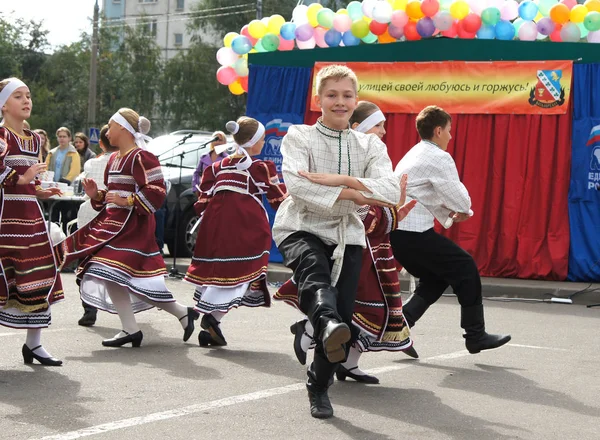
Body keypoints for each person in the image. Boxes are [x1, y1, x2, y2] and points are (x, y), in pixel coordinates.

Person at [272, 65, 402, 419]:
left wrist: (340, 178)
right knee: (314, 273)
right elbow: (298, 188)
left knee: (345, 314)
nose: (340, 102)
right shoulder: (299, 136)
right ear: (318, 100)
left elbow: (391, 191)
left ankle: (318, 381)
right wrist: (356, 192)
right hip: (301, 224)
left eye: (347, 95)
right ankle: (325, 323)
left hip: (348, 232)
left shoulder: (370, 143)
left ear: (355, 100)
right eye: (332, 95)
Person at [54, 108, 199, 348]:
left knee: (116, 273)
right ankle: (162, 319)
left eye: (110, 126)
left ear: (122, 128)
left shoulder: (142, 157)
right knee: (115, 275)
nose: (107, 132)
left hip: (134, 227)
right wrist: (96, 195)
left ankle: (171, 316)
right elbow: (111, 196)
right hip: (113, 225)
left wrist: (128, 200)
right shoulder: (114, 158)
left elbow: (157, 191)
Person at [389, 105, 511, 355]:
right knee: (465, 266)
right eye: (449, 130)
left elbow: (431, 195)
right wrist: (463, 210)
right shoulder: (438, 157)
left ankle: (400, 326)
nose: (451, 136)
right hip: (411, 233)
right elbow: (459, 197)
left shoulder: (415, 152)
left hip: (399, 233)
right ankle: (475, 335)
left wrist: (453, 211)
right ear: (437, 130)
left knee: (437, 276)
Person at [185, 117, 287, 347]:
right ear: (252, 142)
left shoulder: (217, 167)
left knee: (221, 272)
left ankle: (209, 323)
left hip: (216, 227)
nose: (263, 143)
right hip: (245, 228)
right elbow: (278, 198)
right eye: (262, 139)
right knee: (247, 271)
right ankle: (211, 317)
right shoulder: (258, 167)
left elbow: (202, 201)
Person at [0, 77, 63, 365]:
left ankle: (34, 345)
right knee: (4, 277)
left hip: (31, 216)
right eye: (18, 96)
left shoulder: (34, 139)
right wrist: (21, 179)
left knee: (40, 273)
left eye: (29, 95)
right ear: (3, 105)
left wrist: (39, 189)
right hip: (5, 218)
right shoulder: (1, 137)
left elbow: (30, 180)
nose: (27, 101)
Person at [75, 124, 118, 327]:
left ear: (100, 143)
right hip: (112, 217)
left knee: (86, 261)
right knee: (112, 262)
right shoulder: (122, 162)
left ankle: (88, 308)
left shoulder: (92, 163)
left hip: (89, 215)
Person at [45, 127, 80, 233]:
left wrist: (65, 180)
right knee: (53, 217)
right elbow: (46, 168)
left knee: (66, 217)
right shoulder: (52, 153)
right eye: (60, 136)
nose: (62, 139)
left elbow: (75, 171)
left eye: (64, 136)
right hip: (53, 188)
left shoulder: (74, 153)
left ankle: (65, 238)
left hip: (66, 190)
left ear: (69, 138)